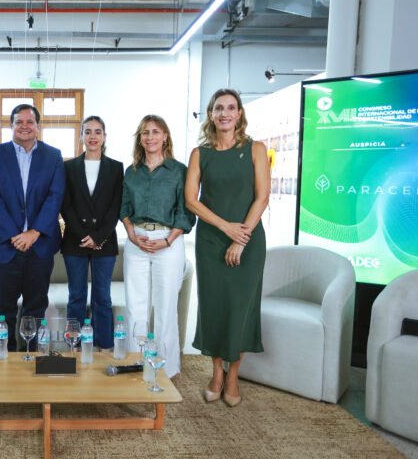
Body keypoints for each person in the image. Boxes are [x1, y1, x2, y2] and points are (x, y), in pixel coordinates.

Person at [185, 88, 270, 407]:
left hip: (248, 241)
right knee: (215, 307)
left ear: (239, 114)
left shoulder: (256, 149)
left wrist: (239, 237)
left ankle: (233, 375)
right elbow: (191, 200)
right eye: (218, 108)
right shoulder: (200, 154)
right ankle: (216, 374)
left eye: (230, 108)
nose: (224, 113)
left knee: (240, 308)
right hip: (210, 241)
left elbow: (262, 197)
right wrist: (225, 228)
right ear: (211, 114)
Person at [0, 104, 65, 351]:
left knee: (36, 308)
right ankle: (3, 359)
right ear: (11, 125)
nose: (25, 126)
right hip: (4, 246)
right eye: (19, 122)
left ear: (38, 125)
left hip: (40, 245)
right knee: (4, 309)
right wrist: (15, 236)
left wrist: (34, 232)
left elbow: (55, 196)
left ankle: (30, 358)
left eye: (30, 122)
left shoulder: (53, 156)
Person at [120, 115, 195, 378]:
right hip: (137, 242)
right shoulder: (132, 171)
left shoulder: (179, 171)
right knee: (135, 306)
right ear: (140, 139)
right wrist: (131, 234)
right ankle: (136, 364)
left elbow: (185, 212)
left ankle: (166, 369)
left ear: (165, 137)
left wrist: (167, 240)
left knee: (165, 307)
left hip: (168, 242)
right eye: (145, 132)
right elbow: (124, 207)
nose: (150, 137)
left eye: (155, 132)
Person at [61, 116, 123, 350]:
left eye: (98, 132)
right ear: (81, 136)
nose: (93, 136)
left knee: (102, 298)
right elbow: (65, 206)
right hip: (74, 242)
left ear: (105, 136)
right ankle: (74, 346)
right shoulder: (68, 167)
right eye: (88, 132)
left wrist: (98, 237)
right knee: (76, 297)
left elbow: (116, 206)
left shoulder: (116, 168)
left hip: (105, 242)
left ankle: (104, 347)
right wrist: (83, 235)